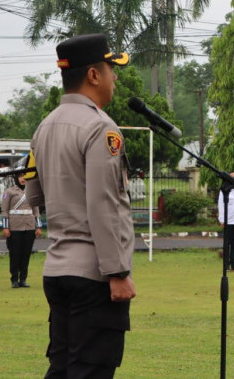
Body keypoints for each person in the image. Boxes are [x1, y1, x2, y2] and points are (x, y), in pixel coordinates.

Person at [25, 33, 136, 378]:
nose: (114, 77)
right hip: (94, 275)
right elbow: (103, 204)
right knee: (91, 369)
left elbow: (33, 196)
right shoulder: (101, 128)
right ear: (93, 75)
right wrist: (117, 272)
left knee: (62, 368)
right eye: (110, 69)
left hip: (57, 269)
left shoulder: (45, 127)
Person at [2, 171, 42, 288]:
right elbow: (4, 210)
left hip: (29, 226)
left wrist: (38, 226)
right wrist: (5, 227)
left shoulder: (32, 191)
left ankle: (23, 279)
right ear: (16, 178)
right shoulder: (9, 192)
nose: (23, 178)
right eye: (20, 176)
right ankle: (14, 279)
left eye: (24, 176)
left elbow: (36, 210)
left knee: (26, 253)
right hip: (15, 226)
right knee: (15, 254)